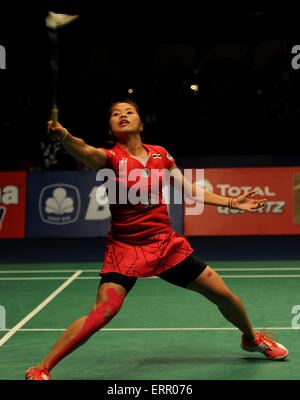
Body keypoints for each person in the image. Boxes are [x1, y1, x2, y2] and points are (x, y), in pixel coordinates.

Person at [25, 100, 288, 380]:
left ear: (140, 123)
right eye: (115, 114)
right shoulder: (110, 158)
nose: (122, 115)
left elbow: (190, 191)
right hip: (125, 249)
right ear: (111, 127)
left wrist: (232, 201)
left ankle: (251, 339)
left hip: (165, 245)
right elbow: (85, 150)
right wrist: (65, 136)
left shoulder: (160, 155)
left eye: (129, 112)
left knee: (223, 294)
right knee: (103, 312)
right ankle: (42, 367)